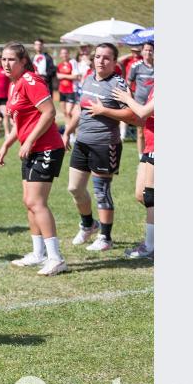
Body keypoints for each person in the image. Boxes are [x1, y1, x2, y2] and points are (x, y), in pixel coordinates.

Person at [0, 42, 68, 276]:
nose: (6, 64)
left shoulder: (30, 81)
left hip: (46, 147)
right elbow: (22, 123)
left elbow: (49, 112)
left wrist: (28, 142)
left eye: (11, 60)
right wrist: (6, 144)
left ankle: (56, 258)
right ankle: (38, 253)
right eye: (3, 60)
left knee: (37, 202)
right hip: (31, 149)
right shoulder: (14, 85)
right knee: (28, 202)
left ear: (23, 61)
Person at [62, 43, 139, 251]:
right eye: (97, 57)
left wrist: (103, 110)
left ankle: (105, 237)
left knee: (101, 191)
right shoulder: (87, 78)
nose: (101, 61)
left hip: (105, 144)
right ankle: (88, 225)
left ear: (115, 62)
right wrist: (68, 131)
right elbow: (81, 109)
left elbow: (132, 115)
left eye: (106, 58)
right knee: (74, 188)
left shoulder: (118, 84)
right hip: (82, 142)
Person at [113, 84, 154, 259]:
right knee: (141, 195)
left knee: (152, 196)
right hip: (150, 144)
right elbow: (144, 117)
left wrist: (127, 99)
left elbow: (144, 112)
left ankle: (151, 246)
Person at [56, 48, 79, 128]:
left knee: (69, 112)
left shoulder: (72, 63)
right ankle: (67, 129)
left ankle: (71, 132)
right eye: (62, 53)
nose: (64, 55)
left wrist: (63, 76)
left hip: (71, 90)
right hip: (62, 90)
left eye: (66, 53)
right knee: (65, 112)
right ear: (60, 55)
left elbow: (76, 76)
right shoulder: (59, 65)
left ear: (68, 54)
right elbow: (57, 77)